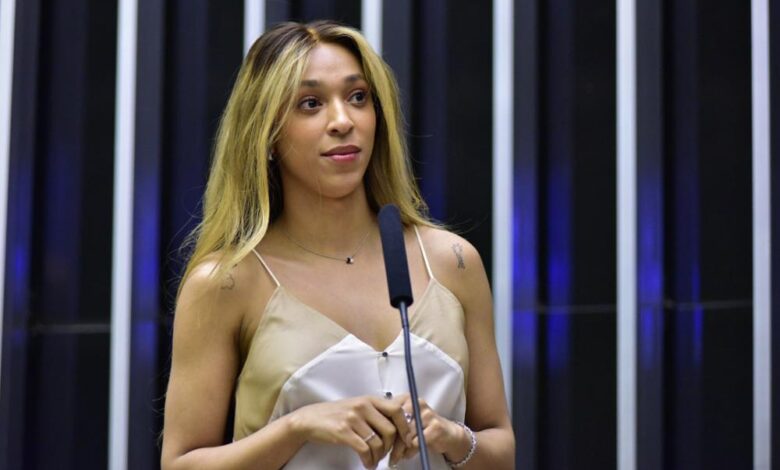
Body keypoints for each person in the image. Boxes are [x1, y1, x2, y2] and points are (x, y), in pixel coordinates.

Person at [160, 20, 514, 470]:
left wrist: (450, 436)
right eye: (310, 104)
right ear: (266, 133)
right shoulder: (227, 282)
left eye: (358, 97)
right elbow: (181, 463)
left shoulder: (452, 261)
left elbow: (501, 449)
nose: (343, 121)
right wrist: (296, 427)